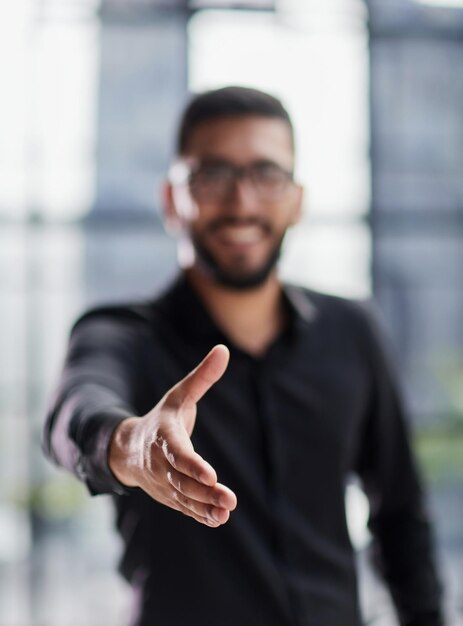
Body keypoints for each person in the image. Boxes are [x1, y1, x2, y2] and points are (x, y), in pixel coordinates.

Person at [43, 86, 444, 626]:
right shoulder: (121, 335)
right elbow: (72, 411)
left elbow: (400, 518)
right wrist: (130, 444)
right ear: (171, 199)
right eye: (213, 176)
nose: (242, 202)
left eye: (267, 175)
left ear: (296, 200)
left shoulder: (353, 331)